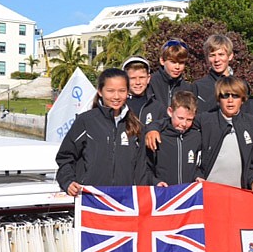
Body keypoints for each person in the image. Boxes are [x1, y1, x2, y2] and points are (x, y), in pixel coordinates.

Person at [147, 76, 253, 188]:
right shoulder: (205, 120)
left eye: (235, 96)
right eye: (225, 96)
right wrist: (153, 128)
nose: (230, 100)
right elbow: (175, 120)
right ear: (219, 99)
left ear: (243, 99)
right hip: (209, 189)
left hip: (240, 191)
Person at [55, 68, 147, 196]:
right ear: (100, 91)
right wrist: (68, 182)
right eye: (110, 91)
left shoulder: (136, 126)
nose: (116, 96)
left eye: (122, 91)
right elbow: (65, 158)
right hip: (91, 200)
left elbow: (142, 169)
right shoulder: (85, 121)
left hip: (124, 202)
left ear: (127, 92)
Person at [146, 90, 202, 187]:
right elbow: (145, 167)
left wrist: (198, 176)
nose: (184, 124)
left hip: (188, 194)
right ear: (170, 112)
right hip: (164, 192)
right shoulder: (158, 136)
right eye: (180, 118)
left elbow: (198, 165)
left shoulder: (196, 137)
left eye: (189, 119)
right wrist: (155, 182)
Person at [193, 34, 237, 113]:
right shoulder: (198, 87)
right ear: (207, 58)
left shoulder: (240, 85)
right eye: (212, 55)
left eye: (221, 54)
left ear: (230, 56)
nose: (217, 59)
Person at [122, 55, 167, 126]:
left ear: (148, 78)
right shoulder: (119, 106)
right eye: (133, 78)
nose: (138, 82)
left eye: (142, 77)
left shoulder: (157, 107)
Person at [148, 38, 193, 108]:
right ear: (162, 61)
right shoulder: (150, 83)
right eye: (173, 62)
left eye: (181, 63)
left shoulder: (186, 88)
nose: (177, 67)